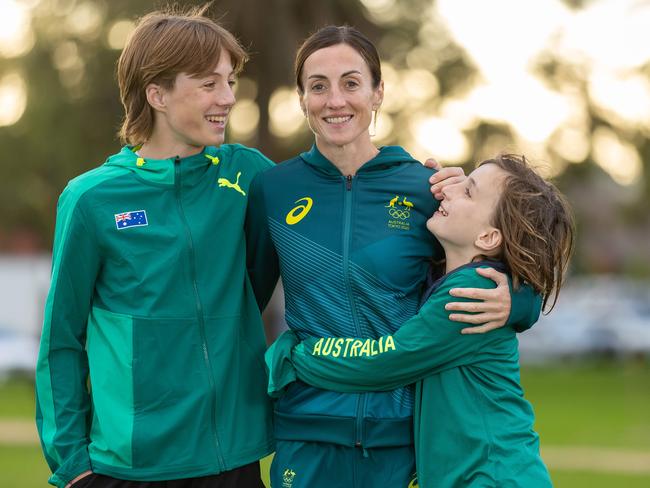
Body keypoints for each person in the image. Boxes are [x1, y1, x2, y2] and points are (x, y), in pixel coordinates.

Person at [245, 26, 540, 488]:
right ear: (301, 98)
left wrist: (521, 304)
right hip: (308, 432)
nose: (335, 100)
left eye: (351, 83)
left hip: (401, 440)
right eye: (318, 86)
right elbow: (245, 298)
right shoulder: (273, 189)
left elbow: (494, 261)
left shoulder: (427, 190)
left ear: (378, 92)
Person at [35, 6, 277, 488]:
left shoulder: (249, 174)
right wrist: (73, 465)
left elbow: (336, 201)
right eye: (209, 83)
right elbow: (62, 340)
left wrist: (433, 190)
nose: (228, 97)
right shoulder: (91, 199)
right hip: (128, 468)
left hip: (233, 461)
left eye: (230, 81)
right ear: (157, 94)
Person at [267, 154, 575, 487]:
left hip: (494, 477)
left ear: (487, 238)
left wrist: (297, 355)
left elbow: (385, 360)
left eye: (468, 191)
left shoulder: (470, 294)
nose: (448, 192)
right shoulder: (460, 281)